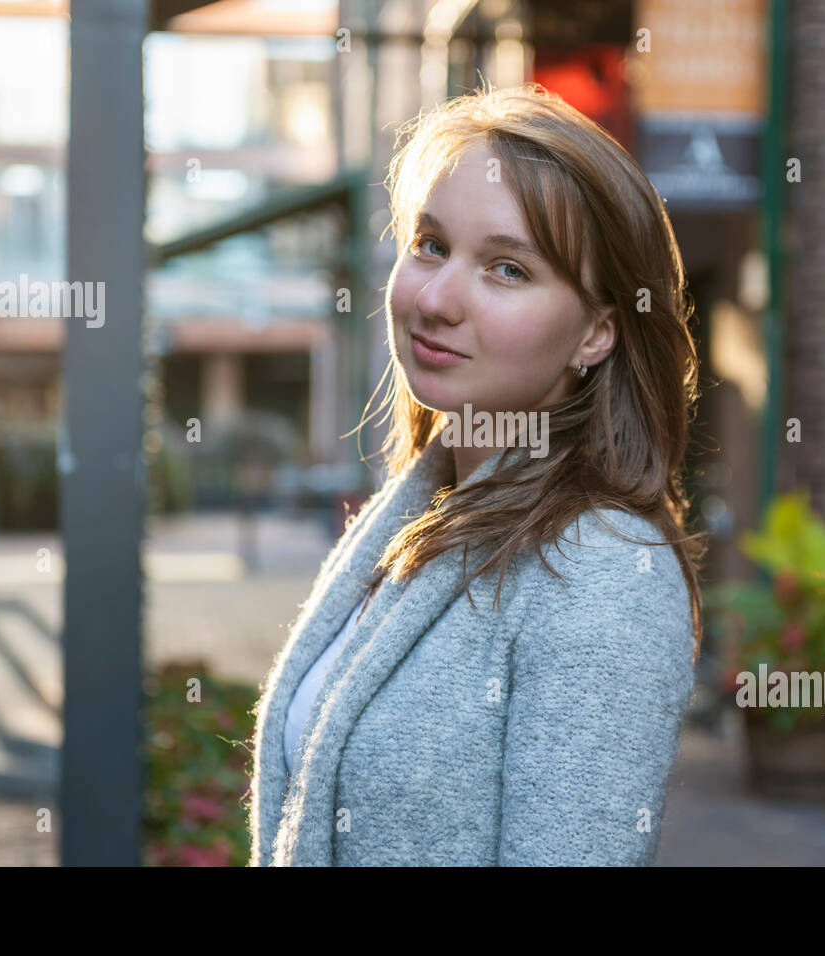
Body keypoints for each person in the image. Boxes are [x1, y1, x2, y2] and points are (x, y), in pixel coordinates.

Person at [248, 82, 706, 866]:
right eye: (430, 245)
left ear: (596, 333)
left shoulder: (601, 570)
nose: (435, 298)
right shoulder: (420, 511)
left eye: (506, 270)